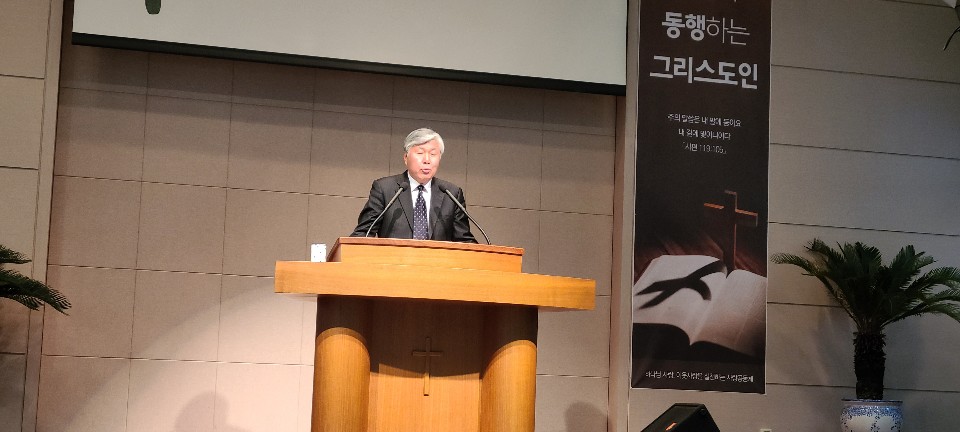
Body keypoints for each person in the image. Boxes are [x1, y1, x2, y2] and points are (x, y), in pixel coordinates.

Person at [350, 128, 477, 243]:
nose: (427, 160)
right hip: (394, 260)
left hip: (437, 261)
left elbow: (465, 241)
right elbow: (363, 233)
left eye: (433, 154)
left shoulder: (451, 194)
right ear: (406, 158)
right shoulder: (385, 189)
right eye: (420, 153)